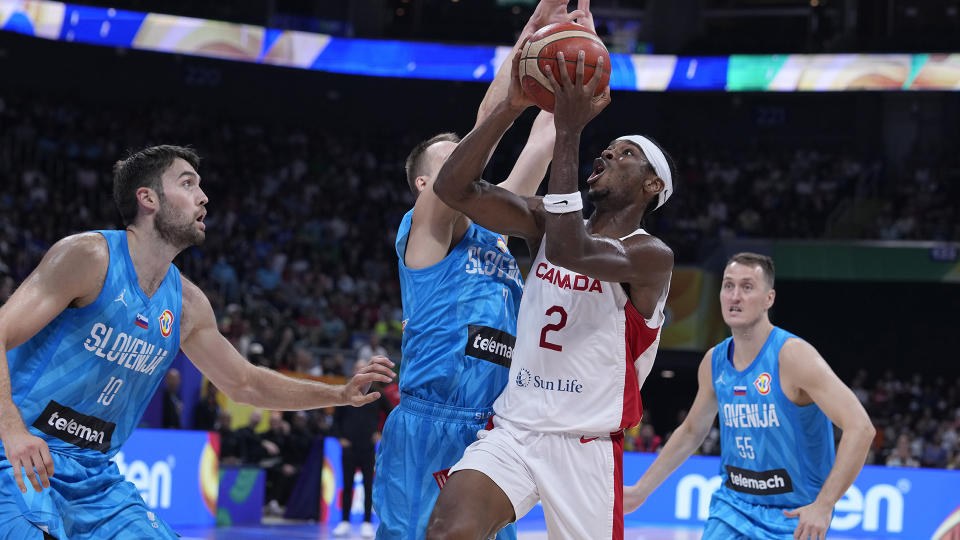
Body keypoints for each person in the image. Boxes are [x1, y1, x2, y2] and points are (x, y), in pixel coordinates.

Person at [0, 145, 395, 540]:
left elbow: (247, 383)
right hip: (12, 454)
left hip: (93, 477)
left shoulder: (187, 305)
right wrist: (14, 431)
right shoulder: (89, 257)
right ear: (148, 198)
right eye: (188, 183)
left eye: (201, 186)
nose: (203, 197)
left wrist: (340, 393)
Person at [427, 31, 676, 540]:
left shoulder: (650, 256)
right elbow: (453, 189)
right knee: (448, 531)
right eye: (603, 150)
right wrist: (511, 107)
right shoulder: (548, 219)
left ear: (652, 187)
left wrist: (569, 131)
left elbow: (570, 250)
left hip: (585, 445)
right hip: (515, 428)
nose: (604, 156)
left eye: (624, 154)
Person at [371, 2, 587, 539]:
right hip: (428, 427)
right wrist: (528, 34)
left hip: (493, 435)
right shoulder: (424, 232)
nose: (470, 167)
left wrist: (568, 50)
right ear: (424, 185)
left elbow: (542, 139)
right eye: (454, 161)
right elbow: (481, 135)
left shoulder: (496, 228)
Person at [623, 253, 876, 540]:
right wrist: (640, 491)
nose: (735, 296)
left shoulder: (793, 356)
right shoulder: (714, 361)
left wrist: (825, 505)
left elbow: (861, 428)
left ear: (769, 298)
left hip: (792, 515)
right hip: (732, 506)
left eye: (747, 287)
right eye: (728, 286)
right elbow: (693, 431)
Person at [332, 360, 393, 538]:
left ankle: (367, 522)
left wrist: (380, 432)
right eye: (357, 367)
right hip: (349, 445)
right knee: (347, 484)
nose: (359, 370)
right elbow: (336, 419)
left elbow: (392, 413)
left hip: (367, 445)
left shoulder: (377, 393)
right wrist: (340, 437)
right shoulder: (346, 392)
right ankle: (344, 521)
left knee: (368, 484)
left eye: (362, 367)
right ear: (353, 370)